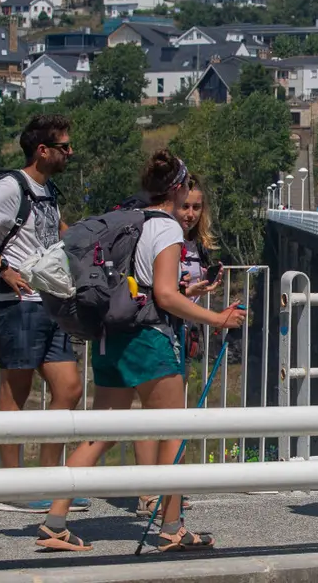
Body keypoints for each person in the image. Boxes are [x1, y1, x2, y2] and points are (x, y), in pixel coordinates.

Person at [35, 151, 247, 553]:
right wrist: (215, 318)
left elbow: (146, 287)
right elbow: (165, 295)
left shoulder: (132, 218)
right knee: (174, 434)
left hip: (111, 336)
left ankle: (55, 522)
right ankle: (171, 527)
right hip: (150, 340)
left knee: (101, 435)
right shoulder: (166, 229)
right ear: (178, 187)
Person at [0, 114, 87, 514]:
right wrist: (2, 268)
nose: (70, 152)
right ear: (42, 150)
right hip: (17, 304)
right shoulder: (13, 186)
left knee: (69, 389)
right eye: (64, 146)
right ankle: (12, 488)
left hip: (49, 300)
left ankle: (47, 482)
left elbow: (57, 233)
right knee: (16, 393)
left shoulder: (47, 190)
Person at [133, 173, 219, 518]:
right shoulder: (162, 234)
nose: (191, 213)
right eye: (185, 206)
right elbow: (162, 291)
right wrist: (189, 294)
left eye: (197, 207)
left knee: (173, 414)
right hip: (156, 329)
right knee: (153, 416)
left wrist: (198, 289)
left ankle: (171, 493)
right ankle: (148, 493)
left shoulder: (195, 243)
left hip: (183, 332)